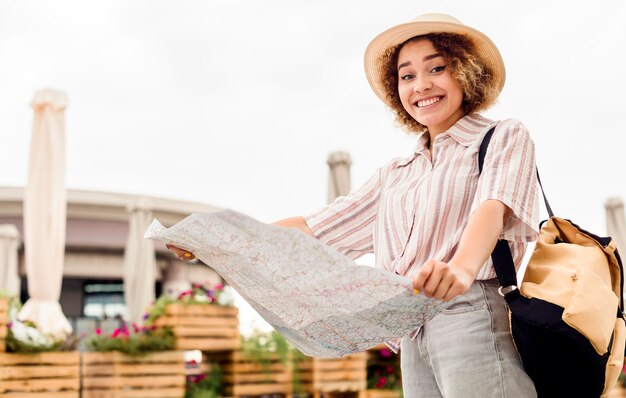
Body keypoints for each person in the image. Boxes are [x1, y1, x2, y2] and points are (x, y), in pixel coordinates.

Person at [169, 13, 539, 398]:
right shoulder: (396, 174)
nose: (421, 85)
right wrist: (215, 241)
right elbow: (317, 228)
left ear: (464, 71)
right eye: (407, 76)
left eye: (437, 68)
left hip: (472, 314)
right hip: (412, 329)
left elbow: (492, 207)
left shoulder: (501, 136)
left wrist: (460, 269)